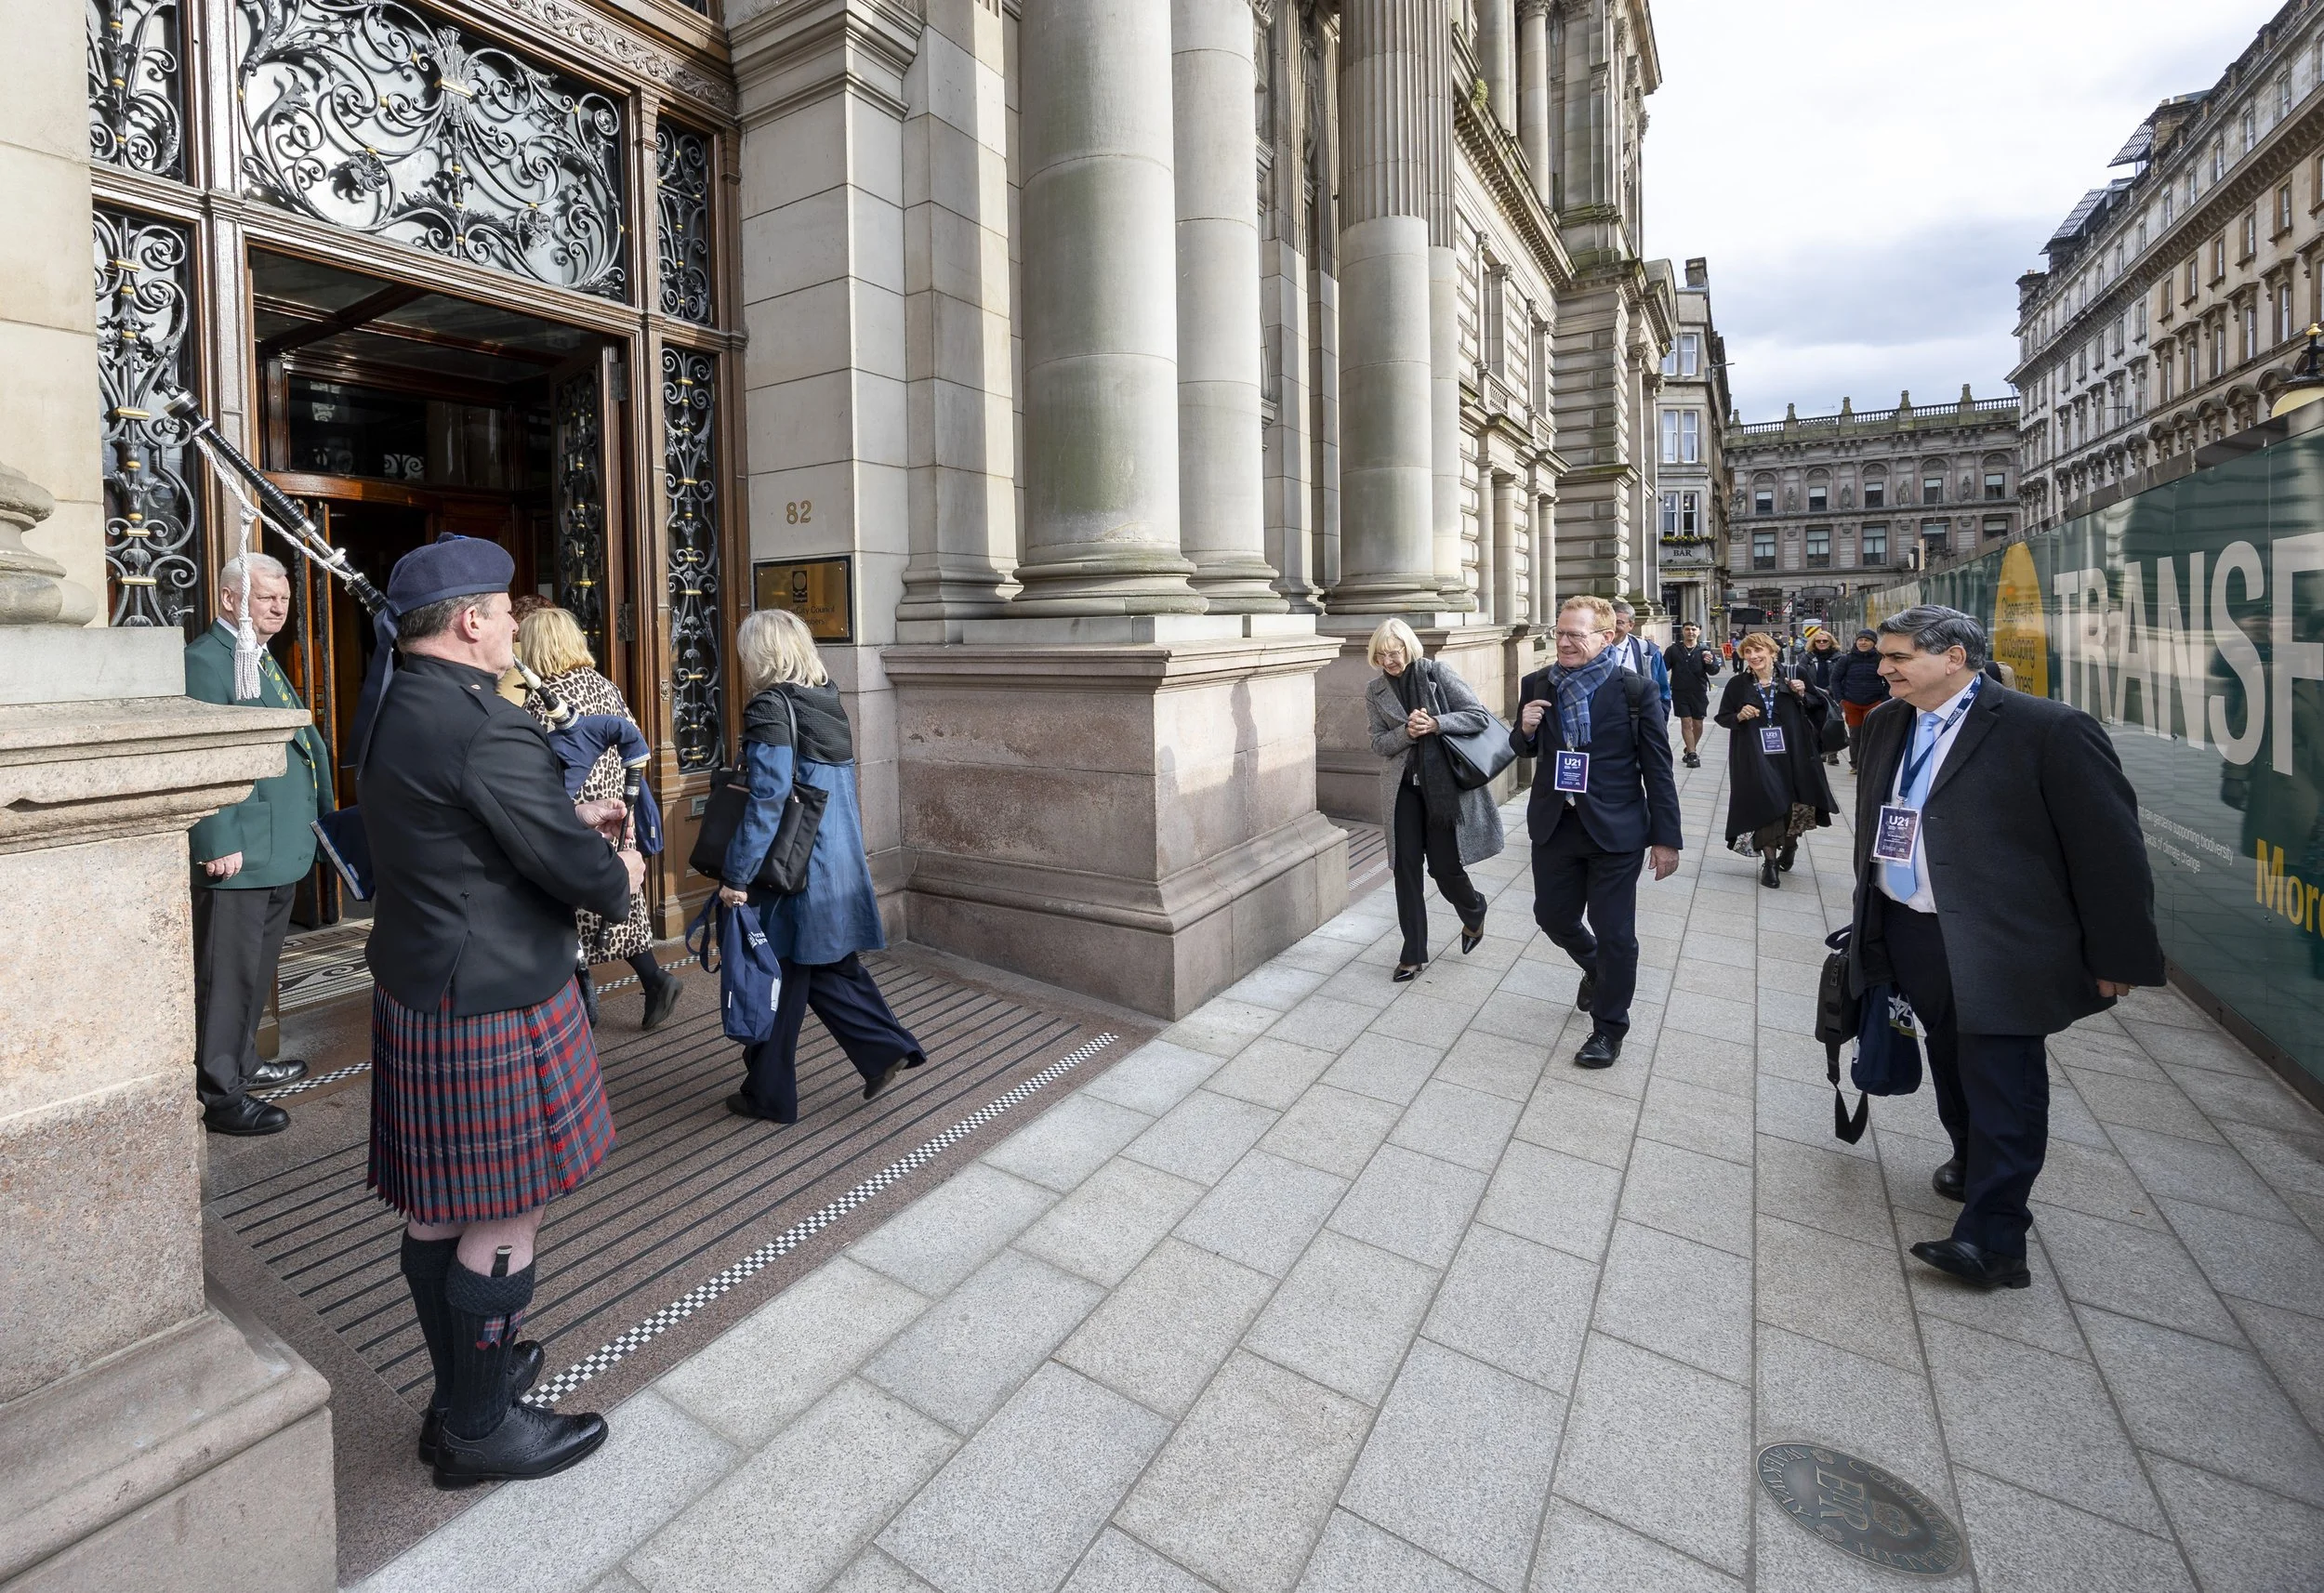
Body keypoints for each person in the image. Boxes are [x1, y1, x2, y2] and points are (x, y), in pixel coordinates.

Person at [363, 534, 644, 1487]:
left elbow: (473, 826)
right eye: (507, 606)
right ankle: (480, 1427)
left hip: (424, 981)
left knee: (439, 1212)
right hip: (495, 992)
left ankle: (458, 1392)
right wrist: (617, 866)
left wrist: (563, 824)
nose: (517, 621)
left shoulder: (393, 703)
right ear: (471, 619)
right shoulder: (485, 721)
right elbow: (568, 867)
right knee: (503, 1213)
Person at [1848, 606, 2164, 1290]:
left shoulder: (2048, 730)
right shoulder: (1884, 724)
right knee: (1949, 1059)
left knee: (2004, 1081)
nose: (1884, 667)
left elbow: (2110, 852)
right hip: (1910, 929)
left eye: (1900, 657)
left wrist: (2118, 956)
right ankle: (1968, 1159)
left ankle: (1995, 1242)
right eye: (1884, 657)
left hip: (2000, 943)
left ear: (1954, 658)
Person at [718, 609, 925, 1124]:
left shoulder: (771, 707)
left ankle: (770, 1094)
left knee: (779, 969)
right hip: (831, 860)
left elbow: (767, 799)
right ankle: (880, 1051)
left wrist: (736, 876)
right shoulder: (826, 698)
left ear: (760, 653)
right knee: (817, 966)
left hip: (790, 870)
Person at [185, 553, 329, 1136]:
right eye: (267, 597)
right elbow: (201, 757)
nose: (279, 607)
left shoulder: (254, 657)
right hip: (239, 851)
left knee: (257, 969)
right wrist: (216, 837)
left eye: (284, 598)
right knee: (228, 978)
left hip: (277, 845)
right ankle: (221, 1095)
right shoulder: (204, 661)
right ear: (228, 600)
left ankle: (244, 1063)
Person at [1512, 596, 1682, 1069]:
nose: (1563, 642)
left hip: (1616, 831)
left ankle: (1608, 1029)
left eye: (1575, 635)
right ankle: (1594, 969)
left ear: (1606, 637)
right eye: (1560, 633)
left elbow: (1658, 769)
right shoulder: (1537, 683)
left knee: (1616, 935)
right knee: (1552, 916)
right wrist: (1523, 730)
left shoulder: (1635, 692)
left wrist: (1666, 838)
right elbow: (1524, 748)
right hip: (1557, 824)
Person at [515, 607, 684, 1032]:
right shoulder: (604, 684)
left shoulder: (543, 697)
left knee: (571, 907)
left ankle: (586, 1006)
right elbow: (633, 741)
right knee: (616, 901)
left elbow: (533, 765)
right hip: (615, 807)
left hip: (576, 813)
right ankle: (653, 980)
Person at [1364, 617, 1502, 980]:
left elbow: (1477, 717)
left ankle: (1474, 910)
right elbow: (1378, 743)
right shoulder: (1374, 692)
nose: (1389, 662)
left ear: (1408, 648)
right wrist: (1407, 733)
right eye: (1381, 656)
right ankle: (1412, 953)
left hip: (1442, 789)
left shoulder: (1437, 674)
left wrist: (1437, 724)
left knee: (1443, 868)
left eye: (1394, 653)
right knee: (1406, 869)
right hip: (1403, 791)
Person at [1716, 631, 1838, 889]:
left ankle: (1790, 845)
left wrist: (1804, 694)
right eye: (1747, 652)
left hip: (1795, 750)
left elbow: (1820, 706)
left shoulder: (1795, 675)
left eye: (1758, 650)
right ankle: (1770, 862)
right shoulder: (1738, 685)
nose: (1753, 656)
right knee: (1765, 800)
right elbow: (1723, 716)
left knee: (1794, 803)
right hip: (1754, 754)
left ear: (1773, 652)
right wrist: (1739, 716)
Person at [1662, 621, 1722, 770]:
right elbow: (1662, 667)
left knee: (1698, 723)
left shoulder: (1704, 650)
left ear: (1699, 632)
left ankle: (1689, 747)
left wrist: (1710, 663)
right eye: (1687, 629)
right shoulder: (1673, 650)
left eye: (1693, 629)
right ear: (1682, 631)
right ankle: (1693, 754)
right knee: (1686, 722)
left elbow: (1714, 671)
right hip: (1679, 691)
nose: (1690, 632)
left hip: (1699, 691)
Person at [1831, 629, 1890, 770]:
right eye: (1860, 640)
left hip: (1874, 703)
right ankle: (1856, 764)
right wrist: (1841, 699)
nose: (1863, 642)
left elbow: (1889, 680)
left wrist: (1884, 699)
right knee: (1855, 735)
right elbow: (1835, 679)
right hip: (1851, 703)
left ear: (1874, 643)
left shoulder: (1880, 660)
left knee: (1872, 735)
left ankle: (1871, 764)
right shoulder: (1846, 659)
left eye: (1867, 640)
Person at [1605, 599, 1673, 716]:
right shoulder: (1592, 650)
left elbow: (1662, 692)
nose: (1613, 627)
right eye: (1609, 622)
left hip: (1636, 719)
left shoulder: (1649, 652)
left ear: (1631, 625)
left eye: (1619, 622)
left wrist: (1659, 723)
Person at [1798, 629, 1846, 764]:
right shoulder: (1807, 657)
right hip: (1813, 694)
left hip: (1832, 694)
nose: (1821, 643)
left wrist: (1830, 690)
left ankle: (1832, 753)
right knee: (1816, 723)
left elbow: (1841, 677)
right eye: (1818, 641)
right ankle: (1820, 750)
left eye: (1825, 641)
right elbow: (1801, 674)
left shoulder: (1839, 657)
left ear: (1830, 642)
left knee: (1833, 721)